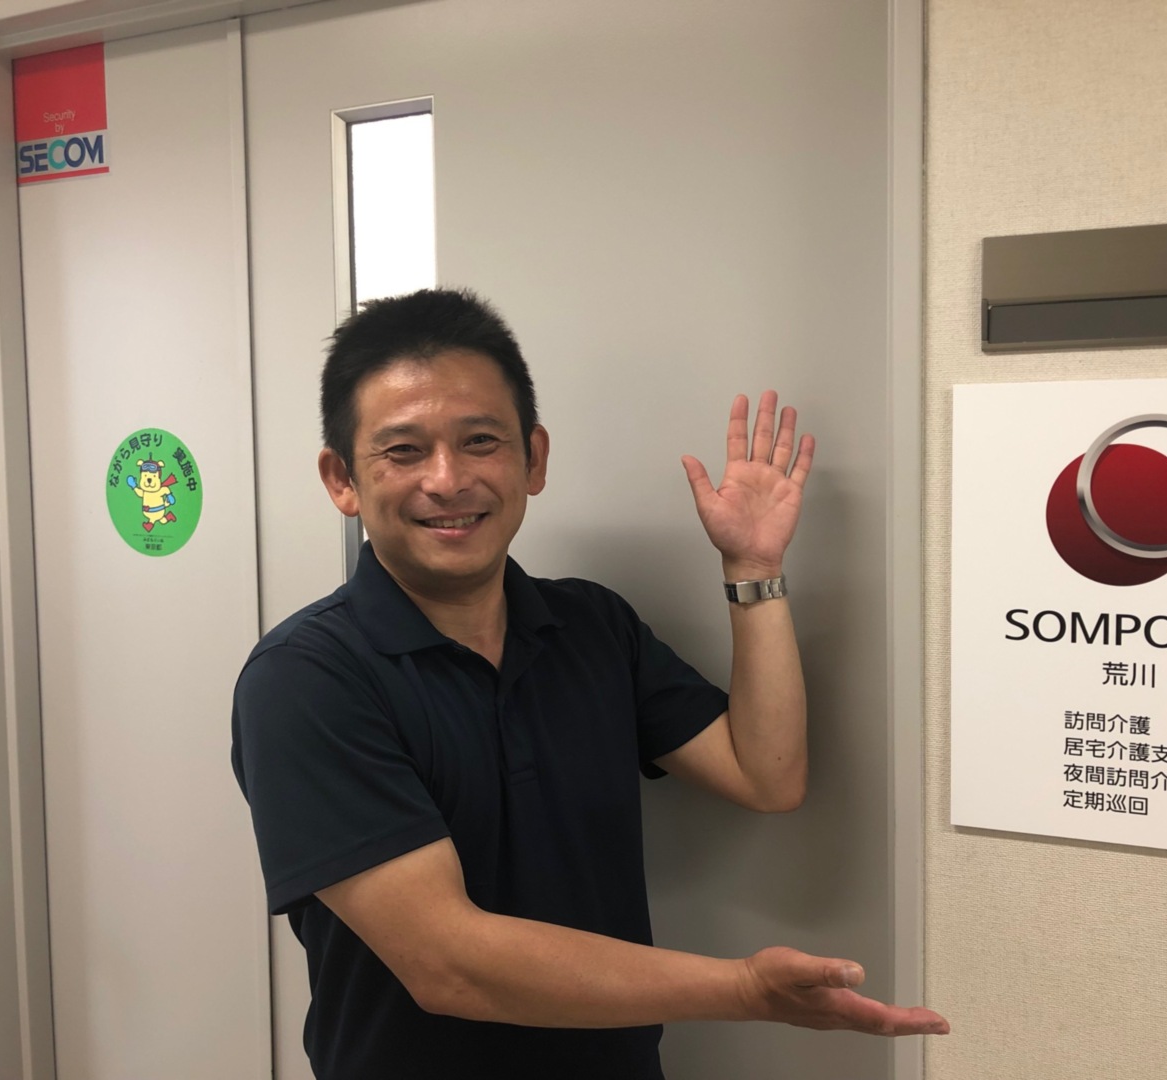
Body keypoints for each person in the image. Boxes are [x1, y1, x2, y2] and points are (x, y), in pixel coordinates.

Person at [231, 288, 948, 1079]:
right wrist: (743, 988)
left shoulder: (590, 626)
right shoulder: (306, 679)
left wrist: (753, 568)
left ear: (533, 459)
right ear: (342, 478)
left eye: (480, 441)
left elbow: (766, 774)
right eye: (403, 451)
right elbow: (448, 964)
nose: (447, 479)